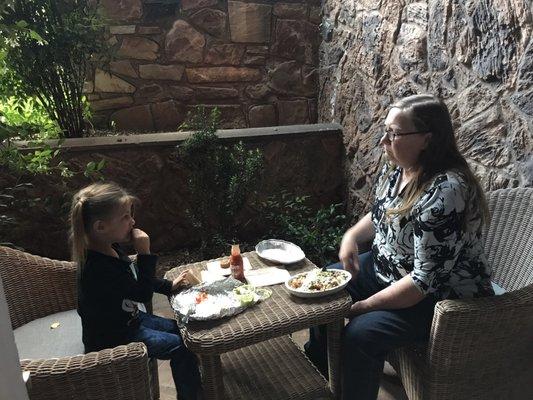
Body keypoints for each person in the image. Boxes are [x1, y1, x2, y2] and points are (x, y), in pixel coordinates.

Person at [304, 94, 494, 400]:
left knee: (360, 333)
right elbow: (381, 213)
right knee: (320, 291)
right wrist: (351, 236)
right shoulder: (401, 168)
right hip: (387, 269)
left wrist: (364, 306)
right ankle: (321, 378)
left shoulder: (446, 191)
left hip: (439, 298)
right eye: (386, 131)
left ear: (427, 139)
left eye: (394, 134)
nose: (383, 141)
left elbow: (423, 283)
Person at [70, 182, 201, 400]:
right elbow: (142, 294)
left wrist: (168, 286)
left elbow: (135, 278)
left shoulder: (110, 248)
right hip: (113, 338)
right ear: (100, 227)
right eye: (124, 217)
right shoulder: (98, 268)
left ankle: (193, 381)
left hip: (129, 320)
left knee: (183, 330)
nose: (132, 221)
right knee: (181, 347)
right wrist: (145, 253)